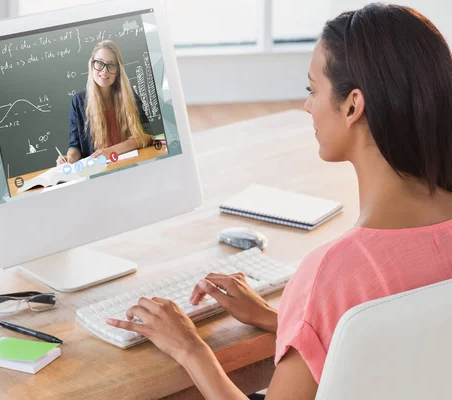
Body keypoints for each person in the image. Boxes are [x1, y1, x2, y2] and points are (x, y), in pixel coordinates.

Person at [106, 4, 452, 399]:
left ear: (353, 106)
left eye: (312, 89)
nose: (307, 105)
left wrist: (190, 347)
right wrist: (286, 320)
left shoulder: (333, 273)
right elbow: (402, 335)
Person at [56, 40, 152, 165]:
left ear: (118, 70)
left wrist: (111, 151)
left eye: (111, 65)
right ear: (91, 65)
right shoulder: (78, 101)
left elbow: (147, 135)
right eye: (99, 63)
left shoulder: (128, 95)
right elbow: (76, 146)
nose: (105, 71)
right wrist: (69, 158)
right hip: (99, 170)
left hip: (131, 164)